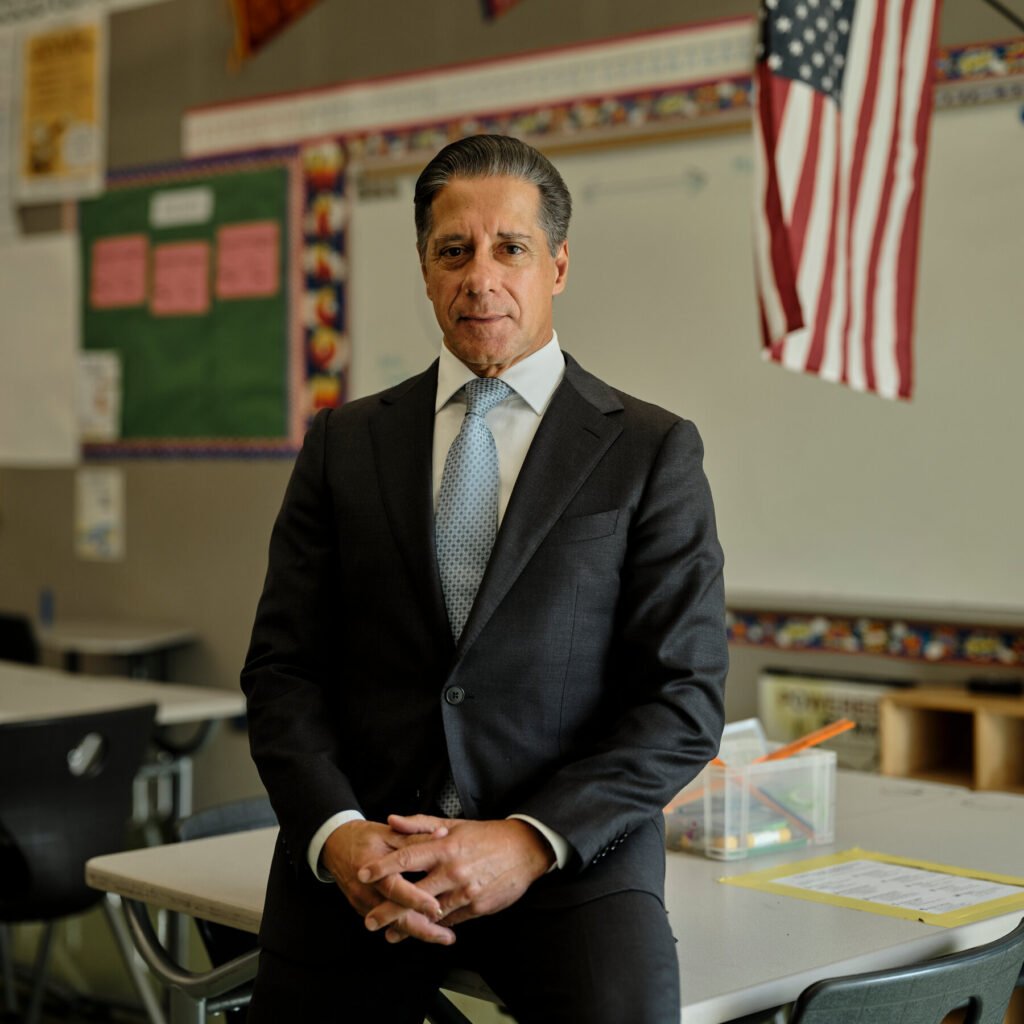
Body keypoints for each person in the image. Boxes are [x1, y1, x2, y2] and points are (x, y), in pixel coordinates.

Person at [241, 133, 727, 1024]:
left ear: (558, 265)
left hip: (567, 859)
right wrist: (339, 835)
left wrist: (528, 842)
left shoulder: (650, 450)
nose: (481, 277)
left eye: (511, 248)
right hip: (370, 862)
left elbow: (682, 697)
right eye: (453, 251)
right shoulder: (344, 444)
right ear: (425, 270)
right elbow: (283, 670)